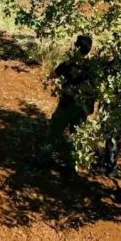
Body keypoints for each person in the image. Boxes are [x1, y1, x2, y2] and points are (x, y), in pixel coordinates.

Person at [43, 35, 97, 170]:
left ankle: (43, 160)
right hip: (83, 108)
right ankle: (71, 166)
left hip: (67, 105)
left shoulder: (68, 64)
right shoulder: (93, 69)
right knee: (76, 136)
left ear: (76, 47)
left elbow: (52, 75)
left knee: (54, 132)